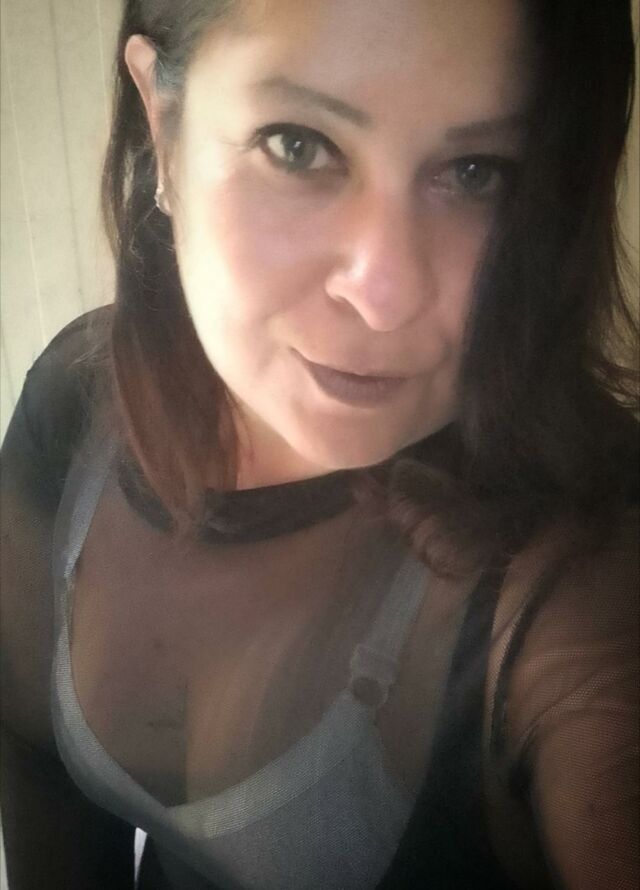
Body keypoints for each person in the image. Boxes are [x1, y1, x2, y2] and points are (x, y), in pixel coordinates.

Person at [1, 0, 638, 888]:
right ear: (163, 123)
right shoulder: (81, 399)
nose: (385, 293)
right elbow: (34, 760)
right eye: (297, 145)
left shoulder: (580, 578)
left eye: (477, 171)